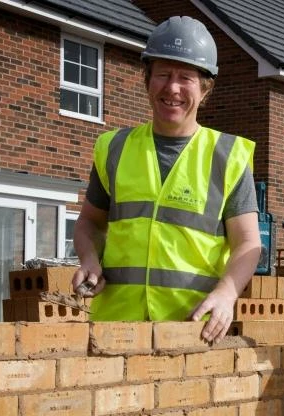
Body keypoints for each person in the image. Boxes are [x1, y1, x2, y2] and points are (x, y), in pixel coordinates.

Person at [72, 16, 261, 343]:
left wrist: (227, 293)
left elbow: (248, 242)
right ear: (147, 80)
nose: (172, 88)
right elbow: (89, 222)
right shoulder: (114, 148)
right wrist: (89, 259)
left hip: (190, 330)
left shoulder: (227, 156)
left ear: (205, 88)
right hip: (116, 330)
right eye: (163, 74)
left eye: (185, 77)